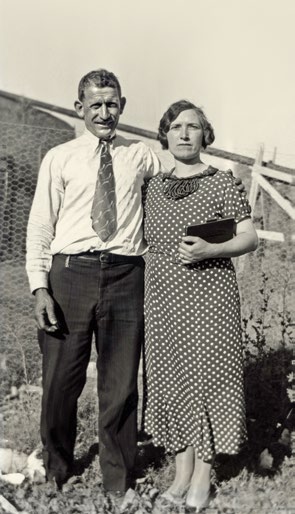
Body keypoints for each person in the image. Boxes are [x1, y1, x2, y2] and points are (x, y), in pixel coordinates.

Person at [25, 69, 162, 496]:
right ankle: (57, 469)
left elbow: (174, 188)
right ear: (79, 107)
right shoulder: (60, 157)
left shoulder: (141, 155)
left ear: (123, 105)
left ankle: (118, 480)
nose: (105, 112)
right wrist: (40, 286)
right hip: (71, 274)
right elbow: (40, 225)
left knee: (120, 382)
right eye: (96, 104)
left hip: (126, 274)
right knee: (61, 379)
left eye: (113, 103)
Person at [143, 100, 258, 512]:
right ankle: (180, 474)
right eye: (176, 127)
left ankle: (203, 479)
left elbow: (248, 237)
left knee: (209, 380)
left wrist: (214, 247)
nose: (185, 133)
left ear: (204, 134)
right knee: (173, 381)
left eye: (193, 126)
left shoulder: (222, 181)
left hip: (210, 298)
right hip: (163, 301)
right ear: (165, 135)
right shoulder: (153, 186)